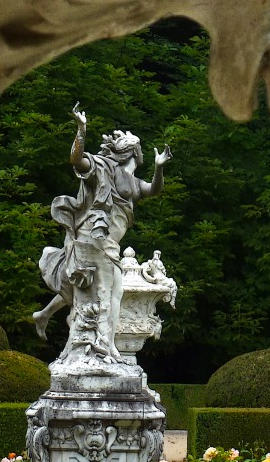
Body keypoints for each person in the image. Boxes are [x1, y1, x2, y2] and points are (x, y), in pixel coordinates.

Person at [33, 103, 171, 363]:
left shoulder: (133, 182)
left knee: (97, 291)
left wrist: (159, 167)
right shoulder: (104, 168)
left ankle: (88, 339)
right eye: (139, 148)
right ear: (133, 151)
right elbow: (76, 159)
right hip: (95, 237)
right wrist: (81, 130)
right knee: (108, 292)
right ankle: (104, 348)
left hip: (107, 243)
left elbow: (154, 189)